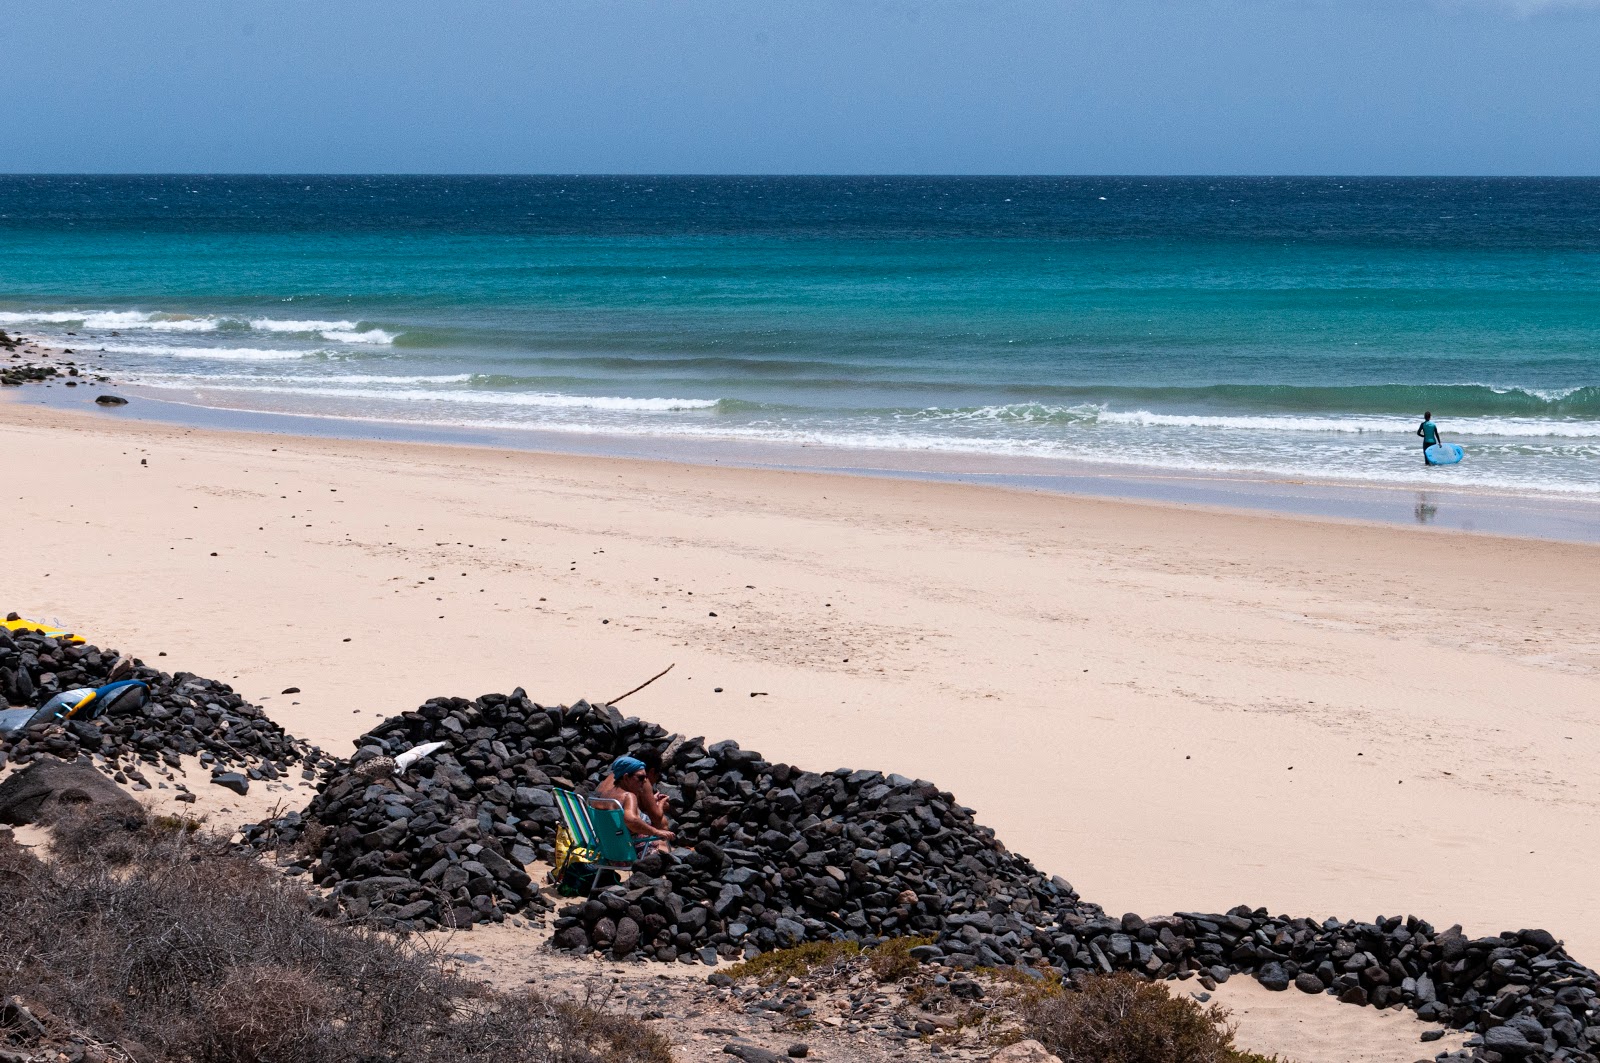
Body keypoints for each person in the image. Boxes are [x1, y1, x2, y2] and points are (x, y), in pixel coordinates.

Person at [595, 755, 674, 856]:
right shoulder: (628, 796)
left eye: (645, 777)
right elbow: (631, 820)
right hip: (631, 853)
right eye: (641, 778)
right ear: (626, 777)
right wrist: (657, 832)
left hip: (608, 851)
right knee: (672, 852)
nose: (645, 781)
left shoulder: (605, 796)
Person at [635, 747, 672, 831]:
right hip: (623, 833)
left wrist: (652, 799)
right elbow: (656, 818)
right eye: (657, 776)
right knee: (663, 823)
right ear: (652, 771)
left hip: (604, 828)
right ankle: (662, 844)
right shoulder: (643, 780)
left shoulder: (617, 775)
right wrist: (661, 803)